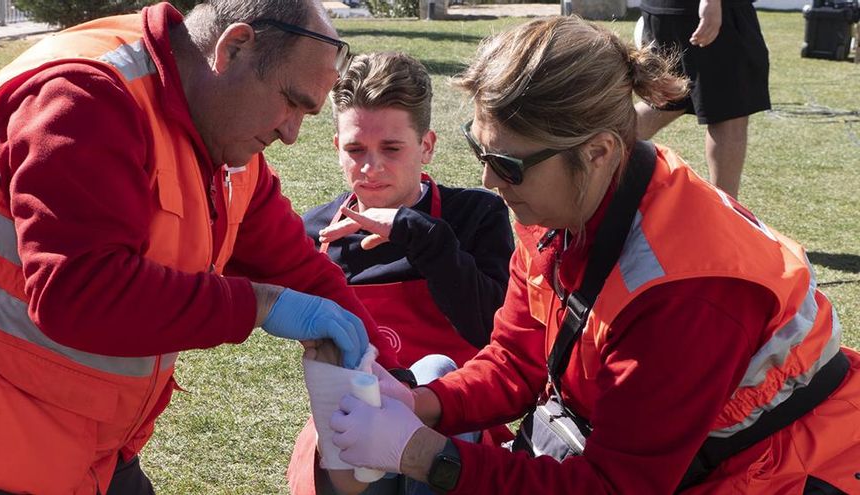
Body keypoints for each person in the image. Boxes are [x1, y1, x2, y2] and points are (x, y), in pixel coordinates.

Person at [325, 16, 860, 495]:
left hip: (774, 473)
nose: (488, 179)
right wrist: (420, 402)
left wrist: (423, 454)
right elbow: (517, 359)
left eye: (507, 163)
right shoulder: (561, 201)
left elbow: (612, 486)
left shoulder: (686, 287)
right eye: (479, 150)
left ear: (598, 151)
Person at [0, 1, 401, 493]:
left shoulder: (221, 129)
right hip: (2, 447)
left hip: (81, 445)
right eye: (291, 101)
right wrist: (260, 305)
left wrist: (390, 377)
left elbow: (295, 266)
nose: (291, 133)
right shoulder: (84, 97)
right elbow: (79, 293)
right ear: (234, 48)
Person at [287, 51, 514, 495]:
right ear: (336, 147)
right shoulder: (316, 233)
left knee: (436, 368)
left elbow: (491, 331)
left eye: (391, 148)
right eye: (355, 150)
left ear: (427, 145)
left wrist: (422, 235)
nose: (370, 168)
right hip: (350, 424)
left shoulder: (473, 216)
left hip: (455, 421)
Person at [634, 0, 771, 199]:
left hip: (664, 9)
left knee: (668, 101)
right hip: (706, 12)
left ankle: (590, 149)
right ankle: (725, 211)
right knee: (729, 115)